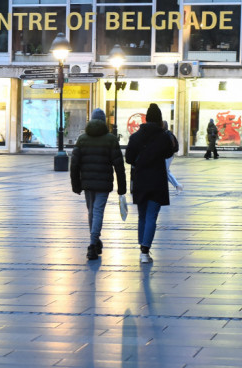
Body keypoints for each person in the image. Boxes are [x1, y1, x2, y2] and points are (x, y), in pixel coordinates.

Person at [70, 108, 127, 260]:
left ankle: (94, 241)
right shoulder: (111, 139)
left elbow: (74, 164)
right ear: (103, 121)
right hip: (103, 183)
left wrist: (76, 184)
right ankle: (93, 244)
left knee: (91, 211)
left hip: (87, 183)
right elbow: (119, 165)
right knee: (98, 211)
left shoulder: (82, 139)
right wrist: (122, 187)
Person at [125, 104, 175, 263]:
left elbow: (129, 159)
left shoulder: (135, 136)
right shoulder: (163, 136)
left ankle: (142, 247)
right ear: (160, 120)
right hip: (157, 180)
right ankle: (145, 251)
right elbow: (169, 152)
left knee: (142, 215)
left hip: (140, 180)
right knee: (152, 216)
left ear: (146, 118)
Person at [163, 121, 183, 193]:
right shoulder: (165, 133)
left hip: (168, 155)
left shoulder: (168, 134)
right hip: (167, 155)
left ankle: (178, 185)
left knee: (165, 172)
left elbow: (172, 145)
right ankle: (178, 186)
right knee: (166, 171)